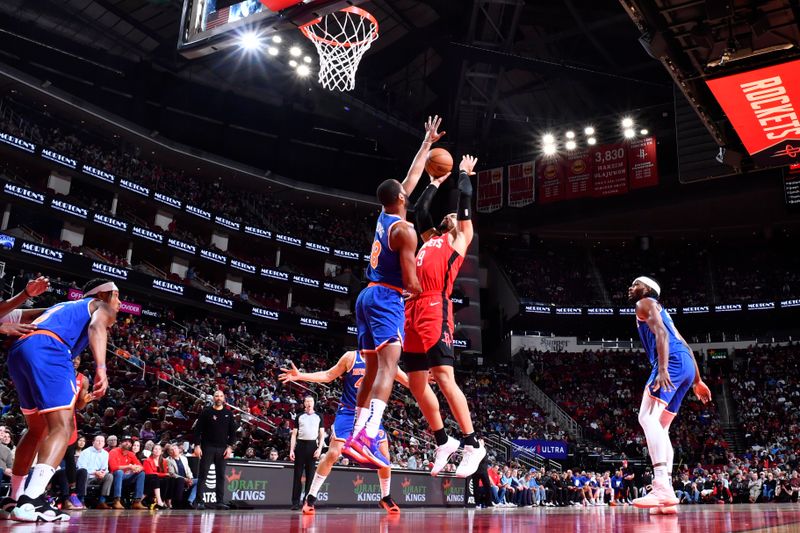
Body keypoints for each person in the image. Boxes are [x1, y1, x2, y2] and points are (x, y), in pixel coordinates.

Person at [347, 116, 445, 468]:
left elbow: (411, 177)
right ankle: (369, 435)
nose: (409, 187)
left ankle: (354, 433)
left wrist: (426, 144)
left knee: (371, 369)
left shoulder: (384, 214)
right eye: (406, 189)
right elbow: (410, 282)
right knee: (389, 367)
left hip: (366, 296)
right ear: (402, 198)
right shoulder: (405, 231)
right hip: (387, 297)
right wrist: (427, 290)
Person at [4, 278, 118, 522]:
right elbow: (96, 328)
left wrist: (23, 295)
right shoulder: (101, 306)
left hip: (19, 351)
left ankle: (14, 496)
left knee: (36, 430)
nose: (119, 304)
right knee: (63, 427)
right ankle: (32, 500)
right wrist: (101, 368)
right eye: (118, 297)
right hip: (50, 349)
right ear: (106, 295)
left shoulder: (59, 307)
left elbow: (8, 316)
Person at [401, 154, 486, 478]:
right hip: (413, 309)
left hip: (437, 306)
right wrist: (434, 181)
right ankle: (443, 440)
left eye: (454, 215)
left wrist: (464, 173)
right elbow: (420, 210)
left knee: (445, 377)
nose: (450, 215)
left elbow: (464, 201)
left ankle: (473, 443)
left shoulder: (460, 239)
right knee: (417, 383)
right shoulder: (429, 239)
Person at [279, 351, 426, 514]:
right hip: (348, 413)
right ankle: (311, 498)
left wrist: (425, 381)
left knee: (385, 458)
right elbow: (328, 375)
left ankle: (386, 497)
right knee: (333, 454)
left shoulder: (385, 358)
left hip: (370, 414)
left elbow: (408, 381)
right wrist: (300, 375)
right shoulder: (351, 357)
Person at [627, 276, 712, 515]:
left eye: (636, 284)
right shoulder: (661, 310)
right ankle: (668, 497)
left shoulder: (644, 303)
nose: (631, 288)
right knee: (662, 427)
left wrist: (662, 369)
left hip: (670, 361)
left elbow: (662, 336)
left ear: (648, 289)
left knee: (646, 418)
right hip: (684, 362)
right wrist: (697, 380)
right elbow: (686, 344)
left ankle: (661, 485)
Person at [193, 389, 236, 510]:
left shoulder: (229, 414)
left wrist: (230, 447)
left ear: (224, 398)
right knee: (203, 475)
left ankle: (220, 502)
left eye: (221, 396)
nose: (218, 398)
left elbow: (233, 433)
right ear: (213, 398)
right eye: (216, 396)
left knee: (221, 476)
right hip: (207, 447)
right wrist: (197, 445)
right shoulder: (206, 412)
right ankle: (199, 501)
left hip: (222, 449)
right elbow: (197, 431)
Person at [288, 396, 324, 511]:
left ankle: (307, 502)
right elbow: (294, 434)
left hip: (312, 446)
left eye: (311, 401)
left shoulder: (319, 416)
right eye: (307, 401)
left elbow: (322, 435)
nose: (309, 403)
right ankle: (295, 502)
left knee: (310, 477)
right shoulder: (299, 416)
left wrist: (319, 449)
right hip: (300, 446)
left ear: (314, 403)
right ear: (304, 403)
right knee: (297, 476)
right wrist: (291, 450)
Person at [75, 435, 114, 509]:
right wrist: (94, 472)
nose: (100, 443)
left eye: (102, 441)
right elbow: (81, 467)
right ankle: (81, 500)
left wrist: (102, 473)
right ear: (93, 442)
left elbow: (105, 468)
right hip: (87, 476)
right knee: (84, 473)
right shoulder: (86, 452)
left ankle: (102, 501)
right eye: (98, 441)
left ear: (104, 443)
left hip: (98, 477)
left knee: (109, 476)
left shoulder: (105, 454)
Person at [108, 435, 146, 509]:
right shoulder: (114, 451)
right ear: (121, 443)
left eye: (129, 442)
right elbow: (113, 467)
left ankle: (137, 501)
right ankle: (116, 501)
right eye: (125, 441)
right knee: (119, 472)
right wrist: (129, 467)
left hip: (126, 477)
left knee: (141, 474)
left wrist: (137, 469)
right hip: (115, 477)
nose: (127, 443)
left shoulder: (130, 454)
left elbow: (142, 467)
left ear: (131, 444)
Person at [167, 443, 197, 508]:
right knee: (180, 480)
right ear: (170, 452)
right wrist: (185, 479)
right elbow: (172, 473)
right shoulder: (168, 460)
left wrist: (190, 479)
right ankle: (178, 503)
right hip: (177, 479)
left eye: (175, 448)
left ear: (179, 450)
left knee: (200, 481)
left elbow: (188, 470)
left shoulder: (184, 458)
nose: (174, 450)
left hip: (187, 479)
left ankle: (190, 501)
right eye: (172, 450)